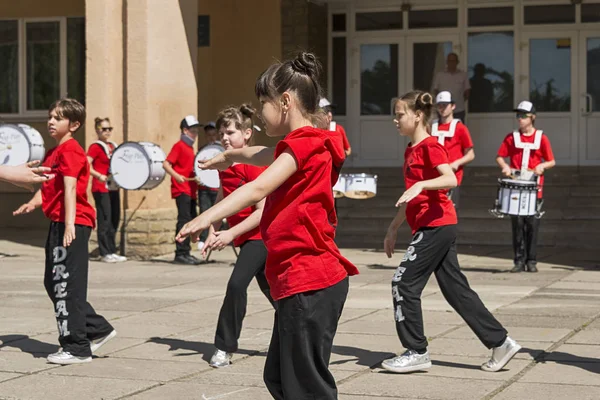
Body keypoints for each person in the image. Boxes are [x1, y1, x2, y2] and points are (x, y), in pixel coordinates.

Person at [177, 52, 359, 399]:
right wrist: (227, 157)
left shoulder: (305, 144)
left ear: (286, 102)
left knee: (307, 389)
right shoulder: (305, 144)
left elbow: (257, 187)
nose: (260, 112)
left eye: (264, 103)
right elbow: (262, 153)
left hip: (309, 281)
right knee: (278, 379)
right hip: (303, 281)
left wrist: (204, 218)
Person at [382, 90, 520, 374]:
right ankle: (501, 342)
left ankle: (416, 350)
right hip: (434, 224)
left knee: (402, 283)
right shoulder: (411, 149)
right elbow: (411, 195)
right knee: (457, 291)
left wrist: (422, 185)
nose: (395, 120)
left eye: (400, 114)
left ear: (417, 115)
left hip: (437, 226)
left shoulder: (430, 146)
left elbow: (448, 179)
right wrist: (394, 227)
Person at [13, 98, 116, 365]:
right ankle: (97, 328)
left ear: (74, 124)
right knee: (54, 282)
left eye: (58, 118)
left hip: (72, 223)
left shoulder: (71, 151)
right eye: (50, 116)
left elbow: (71, 188)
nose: (50, 121)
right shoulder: (54, 152)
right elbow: (51, 187)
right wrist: (33, 203)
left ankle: (77, 347)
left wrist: (70, 225)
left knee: (66, 285)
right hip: (61, 222)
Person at [204, 104, 274, 368]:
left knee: (236, 286)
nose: (224, 137)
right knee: (277, 295)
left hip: (261, 236)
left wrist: (229, 233)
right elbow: (225, 197)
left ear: (246, 134)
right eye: (222, 132)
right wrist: (212, 224)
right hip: (246, 238)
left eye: (230, 132)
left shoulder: (253, 165)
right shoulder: (226, 164)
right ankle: (305, 334)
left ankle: (224, 346)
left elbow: (261, 212)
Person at [496, 101, 555, 273]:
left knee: (532, 223)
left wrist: (542, 166)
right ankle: (519, 260)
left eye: (523, 116)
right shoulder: (511, 137)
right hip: (516, 184)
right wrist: (504, 166)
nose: (519, 119)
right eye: (518, 116)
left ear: (532, 117)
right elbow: (500, 156)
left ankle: (532, 260)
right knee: (517, 224)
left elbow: (551, 160)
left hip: (535, 186)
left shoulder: (541, 138)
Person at [163, 116, 202, 265]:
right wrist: (177, 176)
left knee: (190, 219)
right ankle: (180, 253)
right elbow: (166, 164)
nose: (195, 134)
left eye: (196, 131)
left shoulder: (190, 147)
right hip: (182, 189)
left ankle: (186, 252)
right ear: (185, 130)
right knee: (183, 220)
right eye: (193, 131)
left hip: (190, 189)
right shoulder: (179, 146)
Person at [87, 117, 126, 263]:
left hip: (113, 187)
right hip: (100, 187)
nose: (107, 132)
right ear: (97, 130)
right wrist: (98, 175)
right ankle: (104, 252)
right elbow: (86, 165)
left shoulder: (113, 146)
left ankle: (111, 250)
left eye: (109, 129)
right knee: (105, 219)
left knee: (115, 218)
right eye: (104, 129)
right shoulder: (95, 147)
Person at [432, 91, 475, 209]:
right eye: (440, 105)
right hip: (434, 177)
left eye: (445, 105)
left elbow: (470, 154)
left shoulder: (460, 128)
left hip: (453, 178)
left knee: (450, 213)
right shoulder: (432, 127)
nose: (442, 109)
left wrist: (456, 163)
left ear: (453, 106)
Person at [197, 121, 222, 251]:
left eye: (213, 135)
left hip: (217, 189)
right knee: (205, 212)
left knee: (219, 214)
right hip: (204, 188)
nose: (211, 137)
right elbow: (197, 167)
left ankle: (216, 238)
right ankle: (203, 238)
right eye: (208, 135)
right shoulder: (202, 150)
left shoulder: (222, 150)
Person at [432, 52, 470, 122]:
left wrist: (459, 101)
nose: (451, 63)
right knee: (443, 130)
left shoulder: (463, 75)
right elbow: (435, 91)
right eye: (449, 61)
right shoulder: (440, 75)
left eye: (453, 61)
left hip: (459, 110)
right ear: (447, 62)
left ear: (457, 62)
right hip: (443, 109)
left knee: (458, 130)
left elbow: (467, 92)